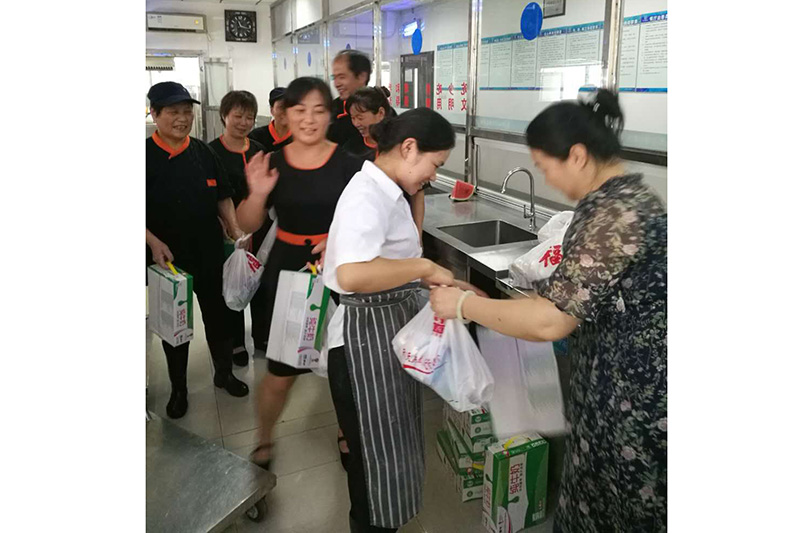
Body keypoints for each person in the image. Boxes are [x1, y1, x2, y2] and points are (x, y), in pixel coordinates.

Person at [429, 89, 667, 533]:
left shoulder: (614, 214)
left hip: (631, 403)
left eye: (544, 166)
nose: (547, 178)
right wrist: (486, 301)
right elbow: (578, 294)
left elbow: (550, 320)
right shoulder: (627, 196)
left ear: (577, 155)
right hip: (614, 388)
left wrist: (464, 305)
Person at [323, 107, 486, 533]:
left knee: (391, 451)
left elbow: (389, 267)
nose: (433, 176)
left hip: (384, 337)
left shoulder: (389, 192)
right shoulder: (367, 195)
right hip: (362, 348)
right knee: (375, 465)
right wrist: (425, 267)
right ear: (409, 148)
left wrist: (450, 286)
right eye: (436, 164)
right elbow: (351, 274)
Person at [236, 77, 363, 470]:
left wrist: (339, 239)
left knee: (346, 364)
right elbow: (246, 224)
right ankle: (264, 437)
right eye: (299, 110)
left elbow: (367, 221)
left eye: (318, 110)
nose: (309, 119)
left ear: (330, 115)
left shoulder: (351, 164)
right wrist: (258, 193)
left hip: (341, 270)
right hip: (290, 272)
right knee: (281, 370)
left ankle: (345, 430)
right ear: (285, 114)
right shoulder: (271, 162)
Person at [146, 81, 249, 419]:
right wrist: (152, 241)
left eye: (187, 112)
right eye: (173, 112)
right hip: (166, 259)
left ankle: (224, 373)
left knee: (218, 317)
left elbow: (223, 196)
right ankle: (179, 389)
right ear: (154, 113)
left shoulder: (204, 153)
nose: (182, 118)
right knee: (174, 323)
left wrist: (234, 228)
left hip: (208, 253)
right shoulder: (143, 156)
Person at [208, 90, 267, 366]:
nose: (244, 122)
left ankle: (262, 334)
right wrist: (224, 223)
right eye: (238, 116)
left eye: (249, 117)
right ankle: (236, 342)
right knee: (233, 283)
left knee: (260, 281)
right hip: (228, 233)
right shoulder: (211, 152)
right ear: (224, 116)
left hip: (260, 230)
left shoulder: (258, 150)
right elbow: (210, 195)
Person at [342, 87, 425, 239]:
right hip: (366, 233)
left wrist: (417, 233)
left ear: (380, 113)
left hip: (401, 232)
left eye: (360, 117)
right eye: (352, 118)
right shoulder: (350, 150)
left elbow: (417, 193)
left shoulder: (403, 147)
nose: (356, 123)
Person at [328, 49, 371, 146]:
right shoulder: (330, 111)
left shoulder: (383, 111)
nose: (336, 84)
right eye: (334, 78)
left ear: (362, 76)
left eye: (342, 77)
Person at [249, 87, 292, 152]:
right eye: (281, 107)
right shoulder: (255, 137)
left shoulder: (301, 137)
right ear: (272, 110)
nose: (286, 111)